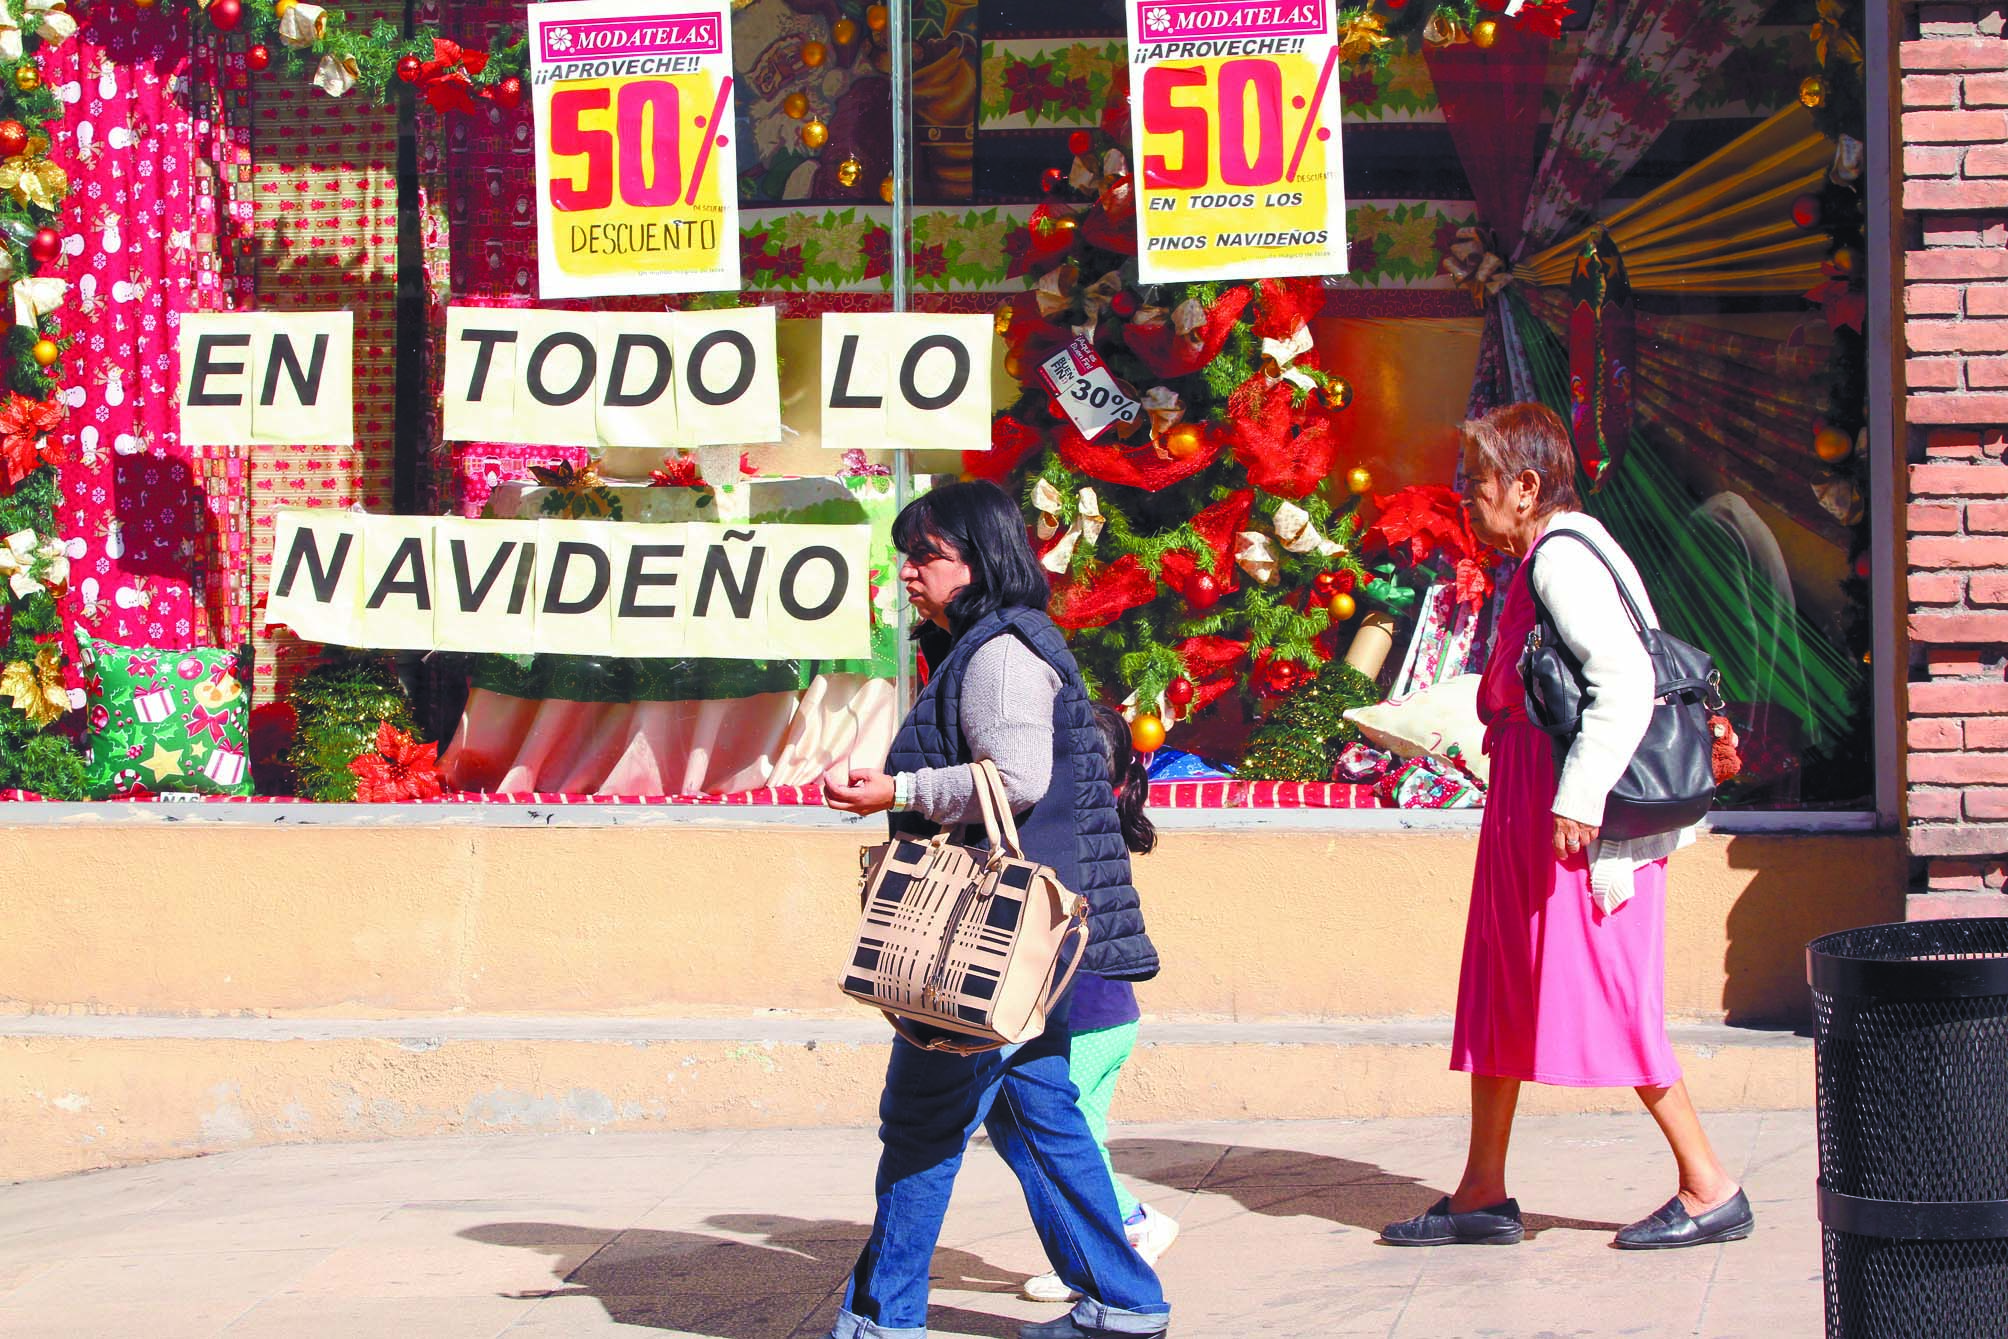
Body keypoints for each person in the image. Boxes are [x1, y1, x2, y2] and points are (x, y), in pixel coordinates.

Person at [1380, 402, 1754, 1252]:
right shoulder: (1549, 554)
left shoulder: (1560, 559)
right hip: (1532, 807)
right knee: (1501, 983)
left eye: (1477, 479)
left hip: (1571, 822)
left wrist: (1579, 799)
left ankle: (1710, 1185)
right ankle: (1481, 1190)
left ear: (1525, 485)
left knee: (1614, 991)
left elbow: (1623, 680)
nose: (1466, 494)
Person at [823, 479, 1171, 1339]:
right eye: (906, 556)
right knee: (1042, 1116)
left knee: (921, 1125)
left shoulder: (1000, 654)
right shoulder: (990, 642)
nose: (909, 572)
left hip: (983, 943)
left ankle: (882, 1319)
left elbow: (1016, 778)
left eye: (926, 556)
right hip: (1017, 946)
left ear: (978, 562)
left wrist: (898, 791)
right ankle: (1126, 1303)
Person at [1020, 703, 1178, 1305]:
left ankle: (1126, 1230)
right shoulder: (1100, 826)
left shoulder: (1071, 835)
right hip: (1106, 1014)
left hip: (1086, 1017)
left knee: (1072, 1139)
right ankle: (1110, 1237)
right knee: (1075, 1133)